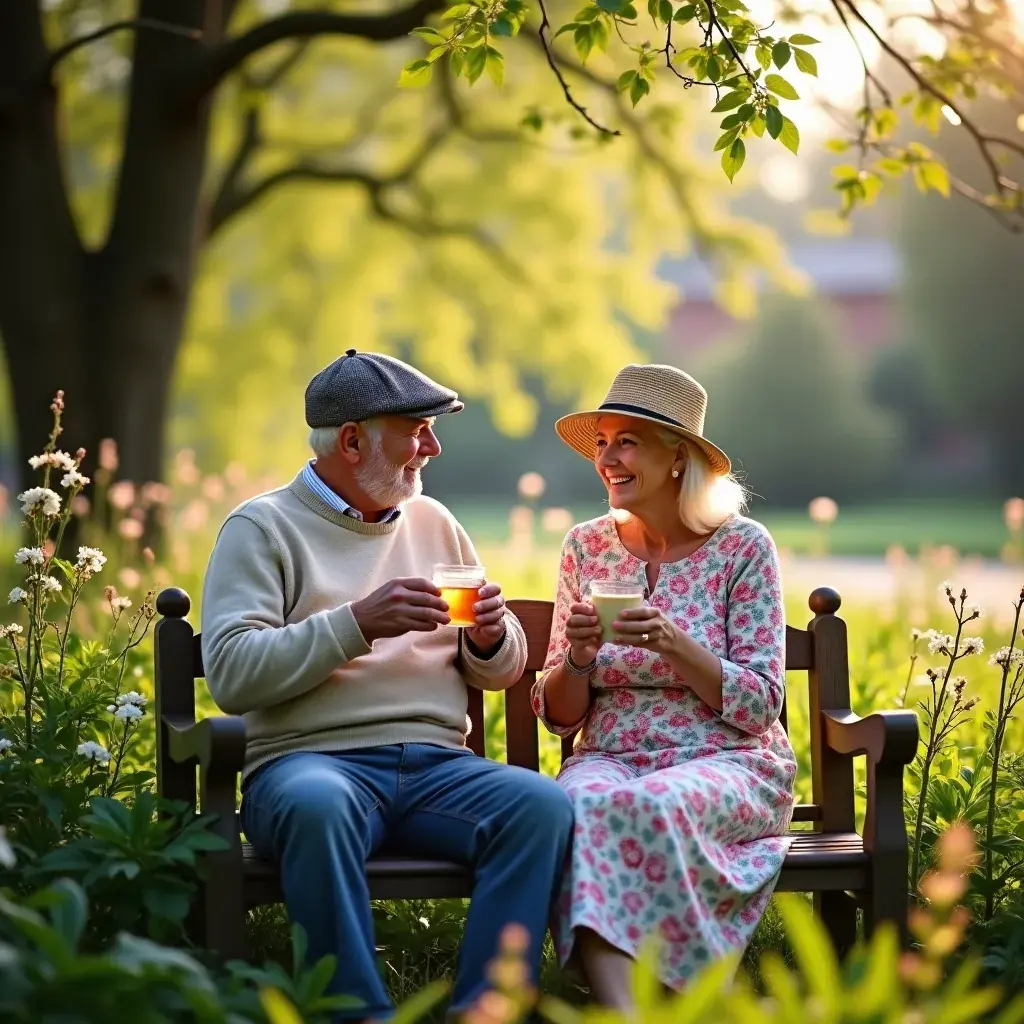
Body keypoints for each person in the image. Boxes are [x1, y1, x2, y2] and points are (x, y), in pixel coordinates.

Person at [201, 349, 574, 1022]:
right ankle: (356, 1014)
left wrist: (490, 637)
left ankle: (486, 1010)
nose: (431, 447)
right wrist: (356, 624)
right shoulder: (261, 528)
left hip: (436, 769)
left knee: (540, 807)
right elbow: (231, 673)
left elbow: (497, 668)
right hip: (308, 765)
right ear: (351, 440)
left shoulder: (435, 523)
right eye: (417, 429)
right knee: (319, 807)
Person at [531, 363, 796, 1005]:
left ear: (679, 457)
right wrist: (581, 657)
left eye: (628, 442)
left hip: (727, 758)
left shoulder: (742, 548)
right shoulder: (586, 546)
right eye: (603, 442)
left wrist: (675, 644)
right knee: (580, 806)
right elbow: (558, 716)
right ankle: (625, 1013)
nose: (608, 458)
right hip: (611, 756)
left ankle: (666, 1000)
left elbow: (760, 704)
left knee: (650, 806)